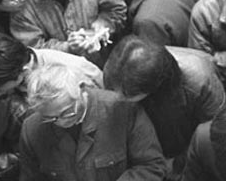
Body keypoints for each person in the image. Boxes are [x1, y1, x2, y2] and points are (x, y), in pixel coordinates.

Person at [20, 63, 167, 181]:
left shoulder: (122, 108)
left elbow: (151, 166)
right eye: (51, 118)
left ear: (82, 90)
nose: (61, 122)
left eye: (67, 112)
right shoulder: (32, 129)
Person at [103, 36, 225, 174]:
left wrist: (176, 164)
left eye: (125, 94)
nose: (117, 97)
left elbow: (213, 138)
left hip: (185, 152)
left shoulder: (201, 83)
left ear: (150, 87)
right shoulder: (120, 75)